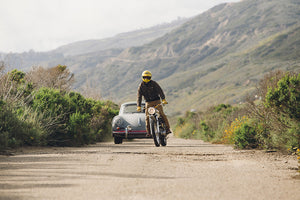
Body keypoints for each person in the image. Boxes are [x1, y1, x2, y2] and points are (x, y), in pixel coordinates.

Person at [137, 70, 171, 137]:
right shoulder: (141, 86)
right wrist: (138, 106)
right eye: (144, 77)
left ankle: (167, 129)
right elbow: (139, 96)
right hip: (148, 103)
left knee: (162, 114)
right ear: (142, 77)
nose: (146, 79)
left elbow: (160, 91)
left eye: (148, 77)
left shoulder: (154, 83)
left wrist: (163, 99)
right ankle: (148, 133)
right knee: (147, 117)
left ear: (150, 78)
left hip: (157, 101)